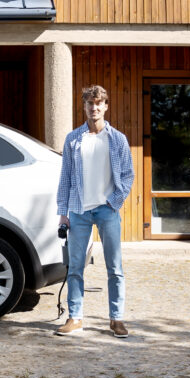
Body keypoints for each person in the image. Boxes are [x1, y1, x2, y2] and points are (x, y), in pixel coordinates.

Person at [55, 85, 134, 338]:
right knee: (75, 267)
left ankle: (117, 319)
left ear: (106, 106)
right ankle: (75, 318)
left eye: (99, 103)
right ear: (84, 106)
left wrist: (114, 202)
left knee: (115, 268)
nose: (94, 108)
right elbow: (65, 178)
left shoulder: (117, 139)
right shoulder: (73, 139)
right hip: (79, 210)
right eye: (90, 103)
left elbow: (128, 175)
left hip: (107, 210)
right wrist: (63, 213)